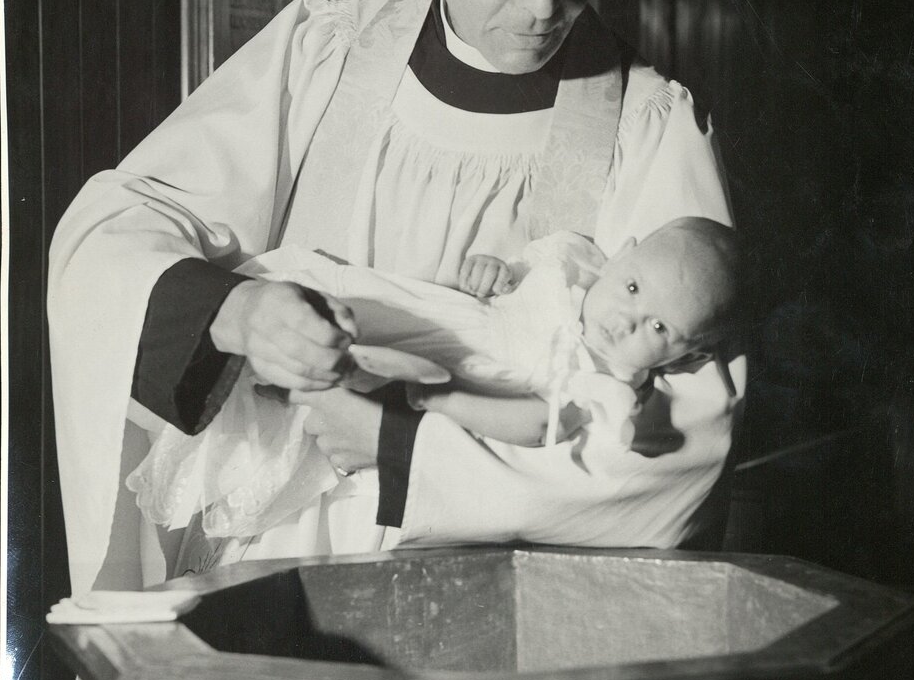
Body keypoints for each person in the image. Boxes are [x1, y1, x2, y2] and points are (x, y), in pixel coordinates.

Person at [49, 0, 745, 612]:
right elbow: (111, 230)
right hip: (274, 563)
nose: (542, 4)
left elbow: (691, 436)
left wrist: (401, 445)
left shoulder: (648, 126)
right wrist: (235, 312)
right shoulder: (323, 52)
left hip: (507, 601)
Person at [124, 218, 740, 548]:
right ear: (622, 255)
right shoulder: (576, 269)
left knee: (340, 365)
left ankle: (289, 375)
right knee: (328, 309)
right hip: (440, 314)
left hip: (445, 368)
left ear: (688, 356)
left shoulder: (601, 382)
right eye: (632, 288)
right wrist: (494, 272)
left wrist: (433, 398)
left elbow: (533, 423)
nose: (626, 320)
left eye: (658, 327)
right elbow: (516, 272)